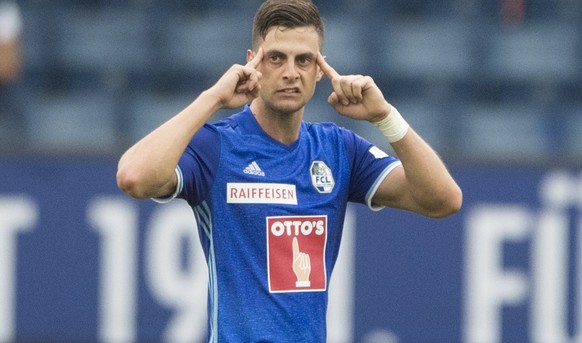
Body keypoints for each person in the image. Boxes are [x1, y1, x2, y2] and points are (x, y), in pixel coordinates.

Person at [117, 0, 462, 341]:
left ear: (318, 70)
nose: (291, 73)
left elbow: (443, 200)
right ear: (252, 63)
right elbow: (134, 176)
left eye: (304, 60)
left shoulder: (339, 150)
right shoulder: (216, 146)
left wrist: (385, 117)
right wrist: (213, 99)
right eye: (276, 58)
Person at [0, 0, 22, 145]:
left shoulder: (9, 9)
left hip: (6, 73)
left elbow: (13, 45)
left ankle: (16, 141)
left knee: (12, 104)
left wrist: (11, 68)